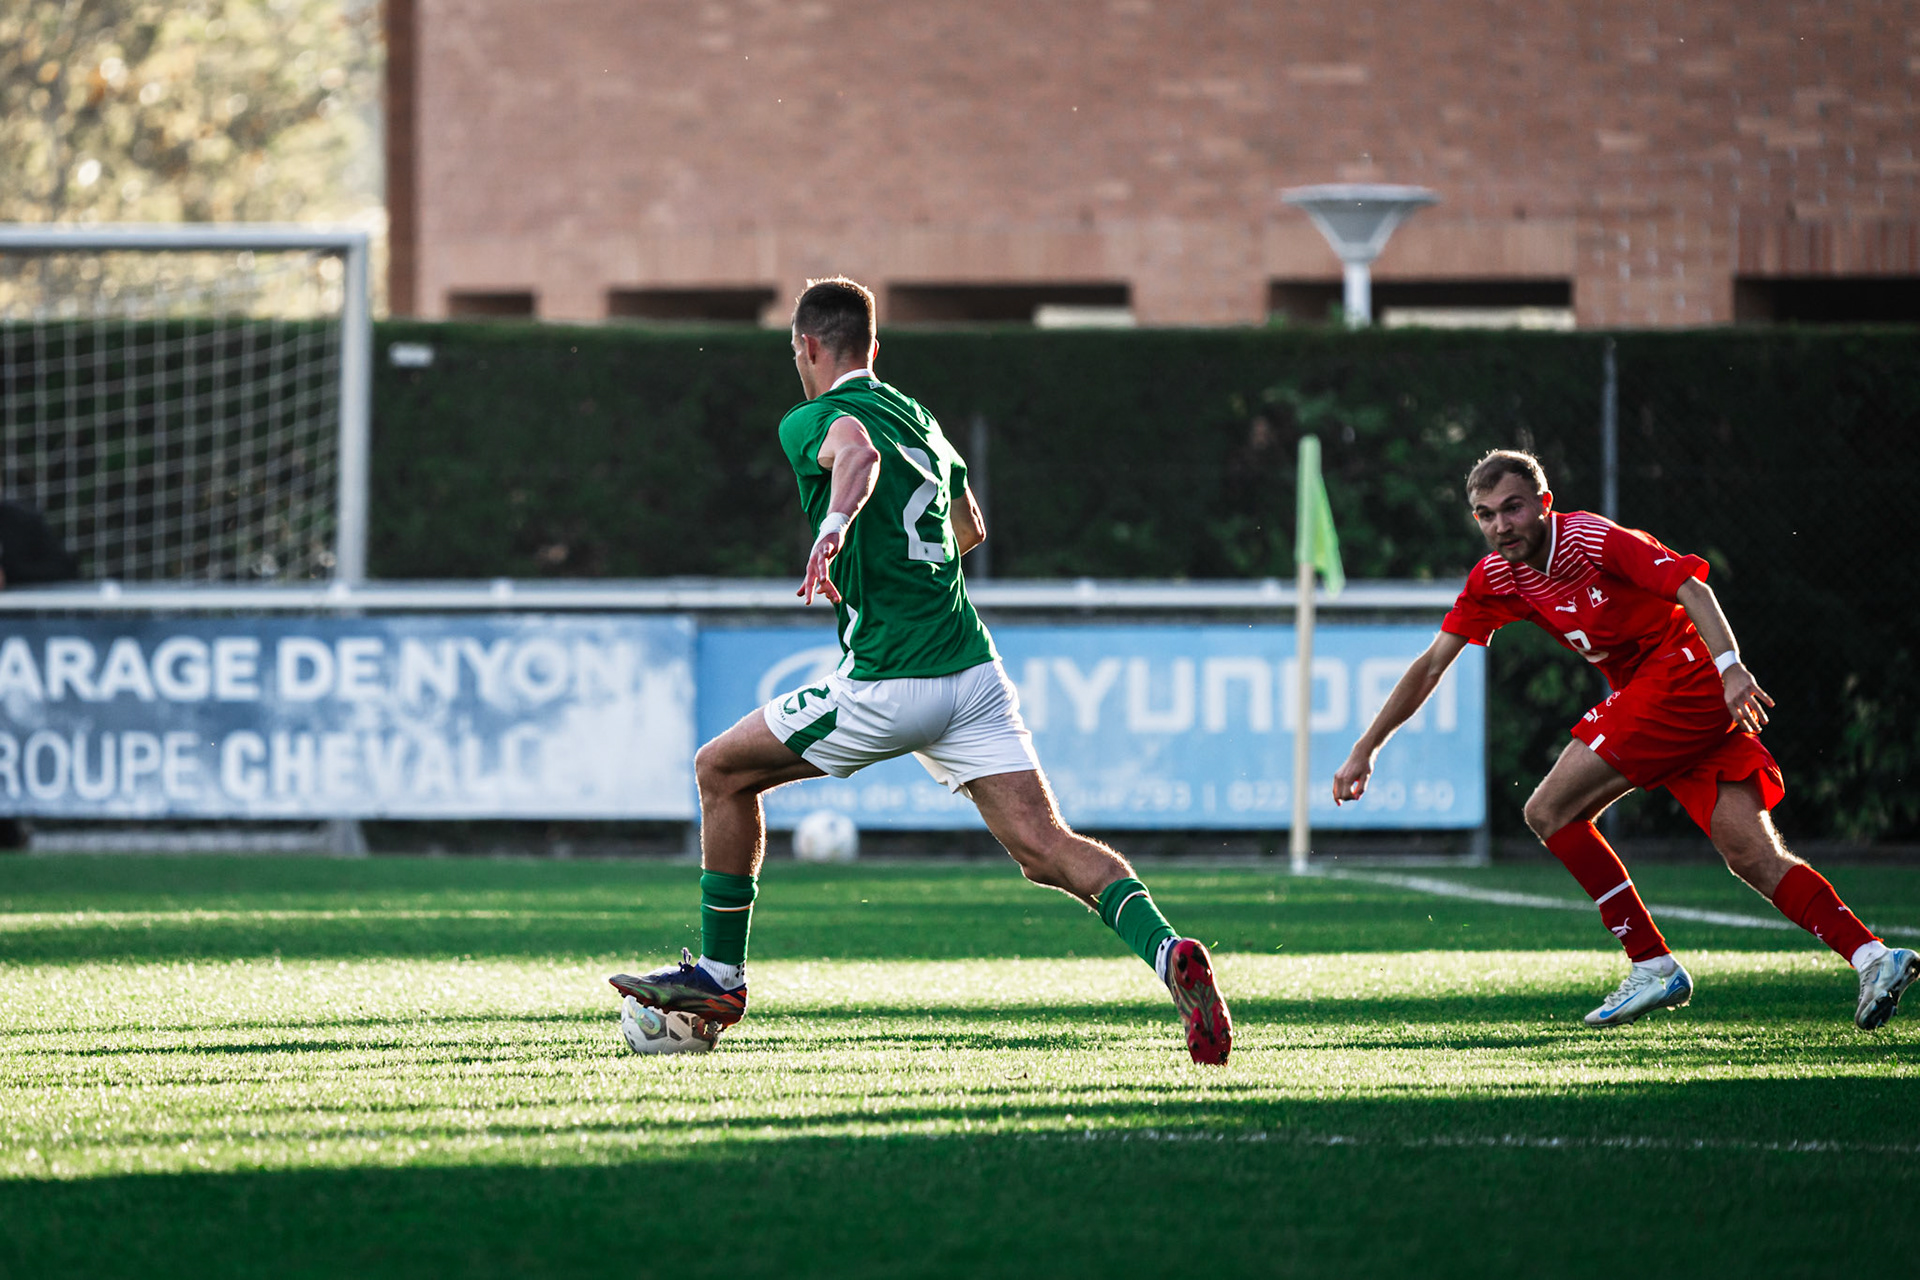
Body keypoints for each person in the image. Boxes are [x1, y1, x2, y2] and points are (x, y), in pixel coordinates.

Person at [609, 277, 1232, 1064]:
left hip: (890, 677)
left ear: (805, 347)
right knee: (1045, 846)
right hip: (972, 674)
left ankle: (721, 977)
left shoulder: (813, 418)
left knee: (721, 771)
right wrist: (883, 561)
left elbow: (856, 456)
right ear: (874, 348)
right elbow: (968, 528)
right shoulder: (920, 418)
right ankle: (1168, 952)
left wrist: (836, 530)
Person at [1332, 448, 1916, 1030]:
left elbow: (1693, 589)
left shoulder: (1591, 539)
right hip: (1669, 699)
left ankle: (1651, 962)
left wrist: (1730, 666)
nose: (1500, 525)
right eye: (1485, 514)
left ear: (1543, 503)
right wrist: (1366, 747)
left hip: (1685, 676)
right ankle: (1874, 958)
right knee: (1750, 855)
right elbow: (1432, 665)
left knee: (1549, 809)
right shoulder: (1496, 579)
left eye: (1512, 508)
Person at [0, 499, 78, 850]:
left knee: (17, 735)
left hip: (21, 652)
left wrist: (11, 576)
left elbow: (65, 568)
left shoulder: (22, 522)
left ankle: (9, 826)